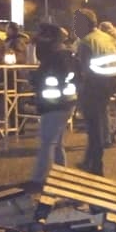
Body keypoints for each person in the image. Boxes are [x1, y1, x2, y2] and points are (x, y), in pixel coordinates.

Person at [27, 22, 80, 189]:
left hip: (54, 105)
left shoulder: (53, 58)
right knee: (56, 142)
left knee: (48, 142)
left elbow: (37, 79)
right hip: (65, 103)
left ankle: (39, 179)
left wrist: (33, 77)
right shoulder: (68, 56)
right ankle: (61, 175)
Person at [73, 8, 116, 176]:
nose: (75, 27)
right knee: (99, 122)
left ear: (86, 23)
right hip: (109, 85)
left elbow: (82, 69)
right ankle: (90, 161)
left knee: (93, 128)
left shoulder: (86, 42)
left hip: (92, 86)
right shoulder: (110, 39)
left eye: (77, 23)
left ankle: (96, 166)